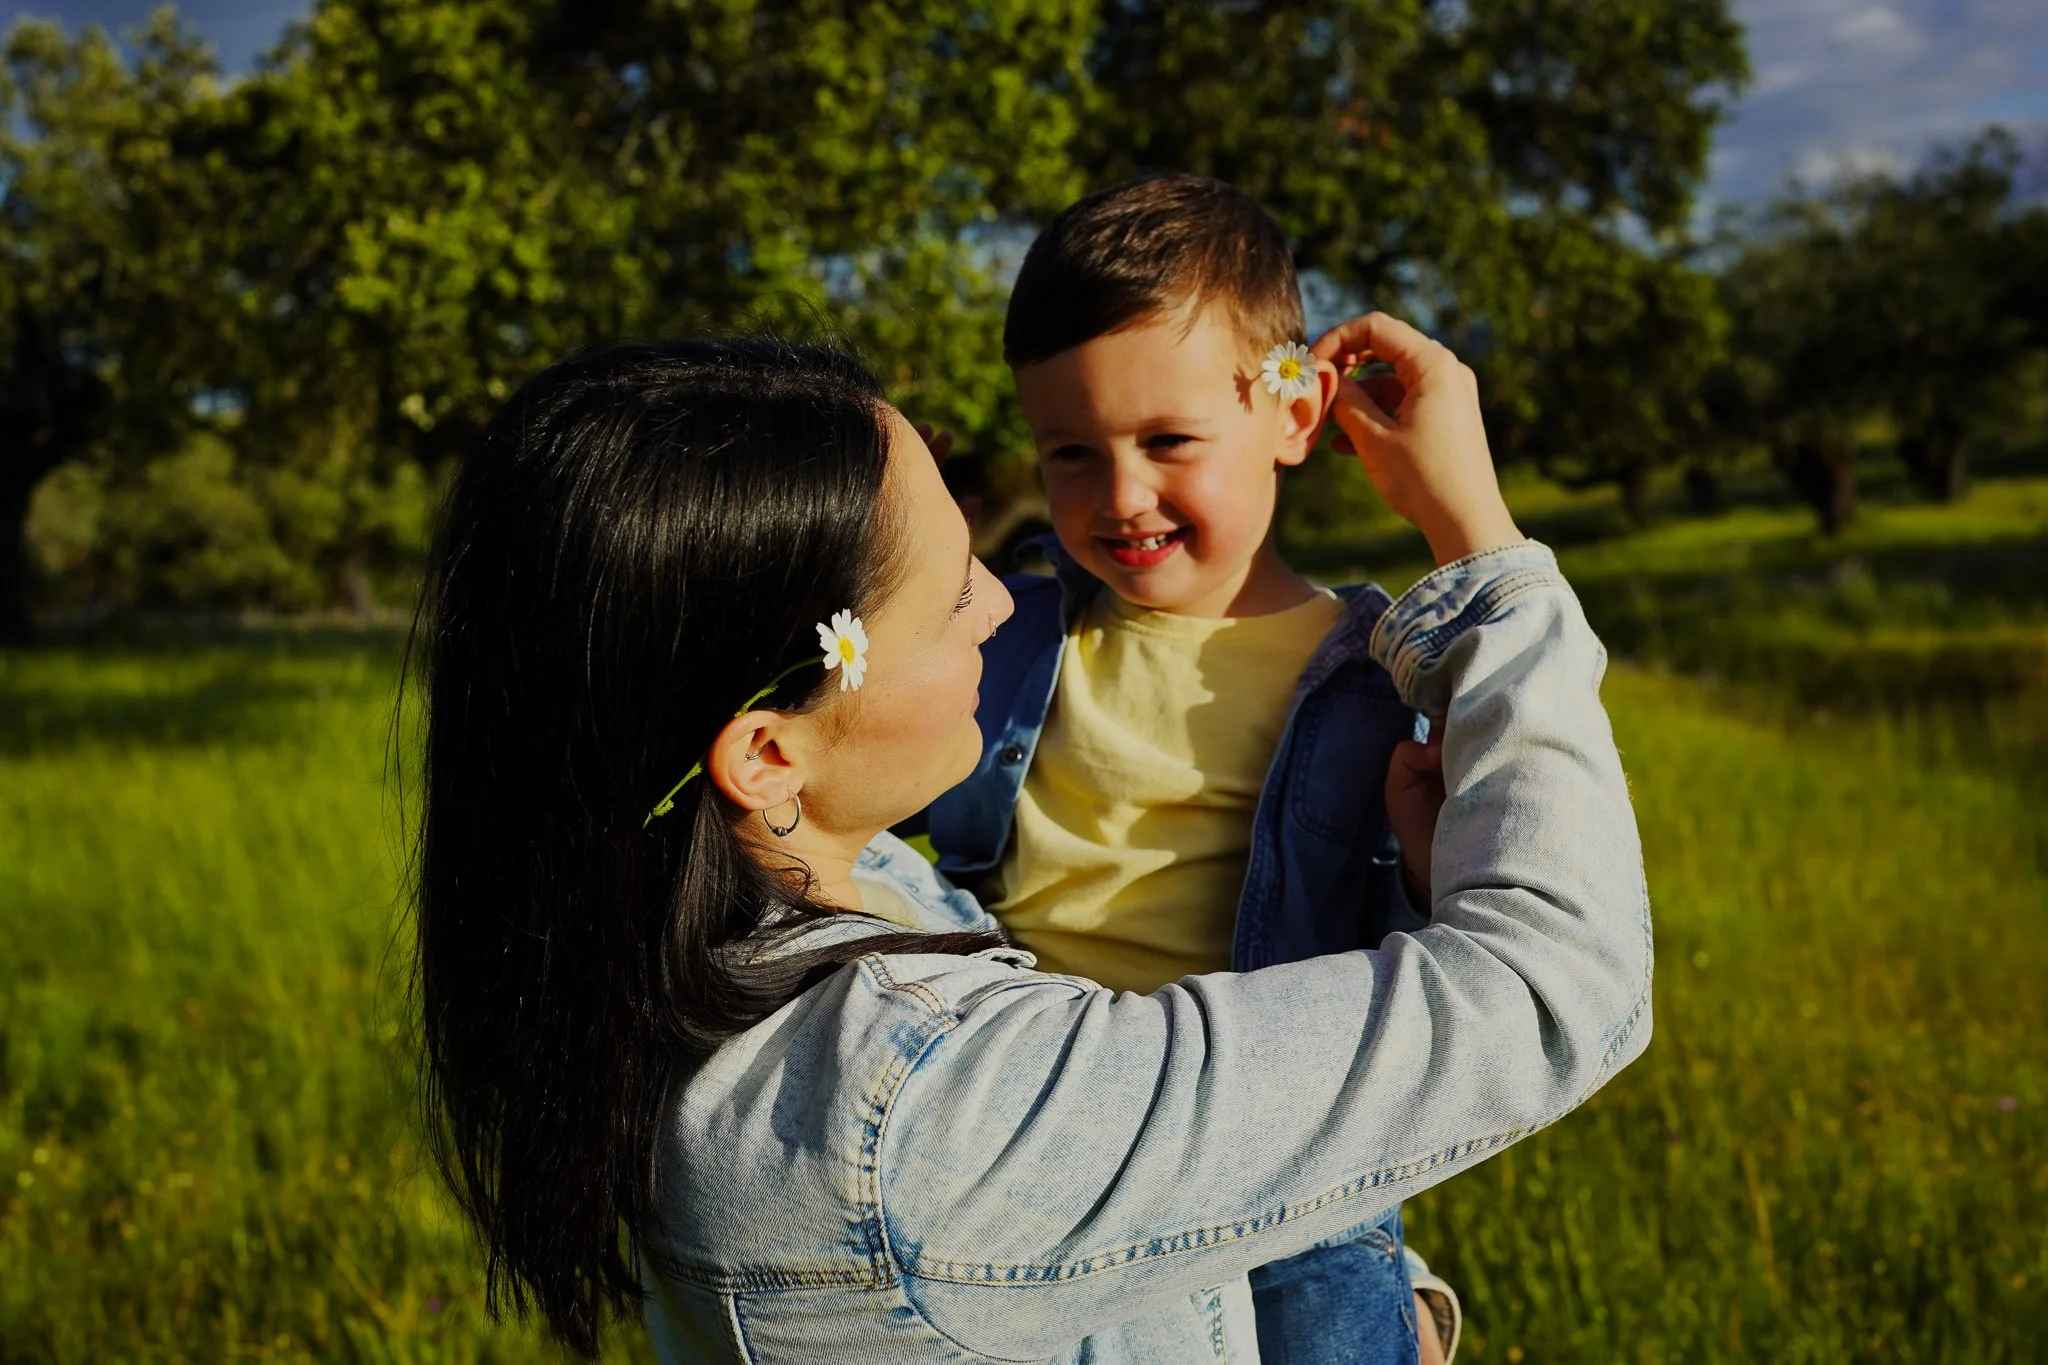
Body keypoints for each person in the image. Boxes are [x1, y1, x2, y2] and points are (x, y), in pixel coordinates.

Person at [410, 315, 1651, 1363]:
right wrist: (1483, 552)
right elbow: (1554, 984)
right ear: (768, 754)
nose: (1004, 604)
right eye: (952, 590)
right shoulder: (922, 1112)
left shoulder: (691, 929)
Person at [911, 173, 1448, 1361]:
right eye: (1069, 454)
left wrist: (1417, 864)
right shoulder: (1007, 633)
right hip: (1045, 1115)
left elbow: (1417, 943)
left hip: (1274, 1142)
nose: (1121, 497)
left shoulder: (1366, 670)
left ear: (1294, 415)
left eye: (1166, 442)